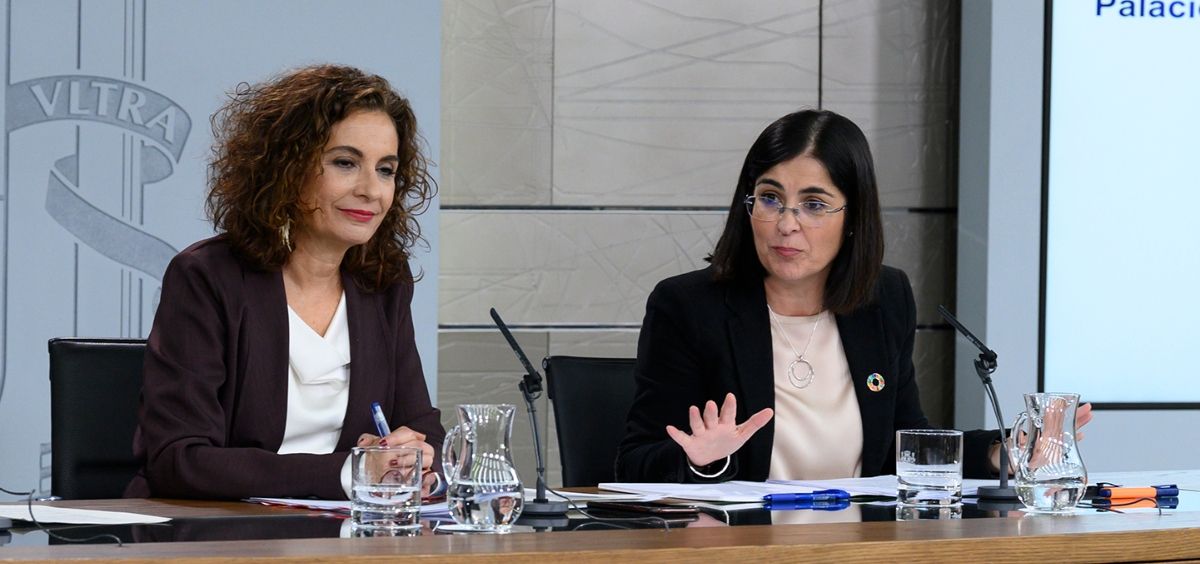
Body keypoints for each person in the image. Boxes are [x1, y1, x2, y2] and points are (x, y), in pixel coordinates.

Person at [615, 109, 1092, 483]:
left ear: (852, 218)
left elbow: (906, 447)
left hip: (861, 547)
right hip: (745, 550)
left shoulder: (883, 299)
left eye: (814, 205)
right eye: (770, 198)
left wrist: (1000, 452)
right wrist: (702, 461)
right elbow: (633, 464)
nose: (786, 223)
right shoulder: (688, 307)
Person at [125, 64, 444, 500]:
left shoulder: (383, 281)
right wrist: (350, 473)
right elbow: (179, 459)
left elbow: (422, 426)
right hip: (221, 530)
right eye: (345, 163)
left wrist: (417, 457)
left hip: (345, 531)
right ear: (287, 169)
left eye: (386, 169)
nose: (372, 190)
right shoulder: (208, 276)